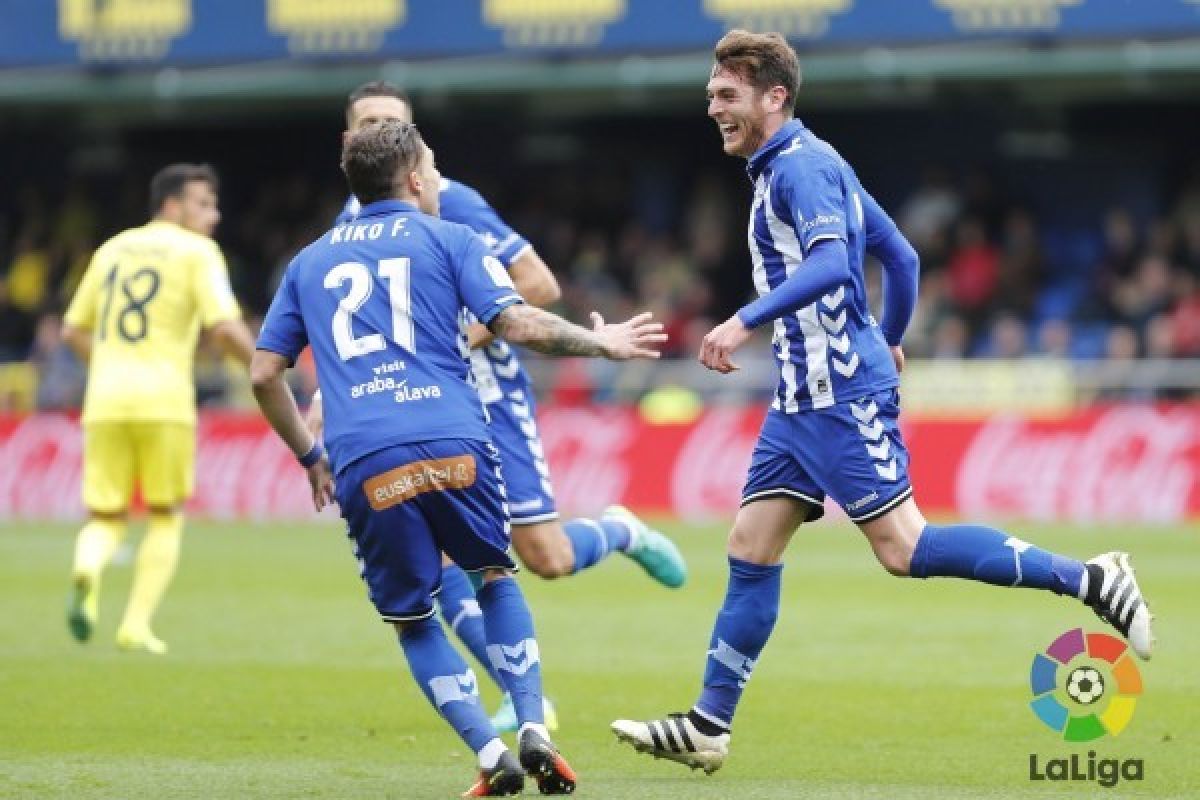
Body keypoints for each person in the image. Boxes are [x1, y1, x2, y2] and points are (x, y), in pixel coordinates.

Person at [611, 30, 1155, 774]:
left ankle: (1092, 578)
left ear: (775, 97)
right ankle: (709, 724)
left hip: (835, 393)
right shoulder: (800, 161)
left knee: (904, 549)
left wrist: (745, 318)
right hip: (800, 400)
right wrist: (892, 336)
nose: (712, 108)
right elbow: (900, 256)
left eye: (726, 96)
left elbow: (838, 262)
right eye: (711, 95)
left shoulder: (800, 170)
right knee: (750, 545)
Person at [253, 120, 665, 796]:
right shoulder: (453, 239)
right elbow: (518, 321)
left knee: (414, 620)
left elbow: (265, 373)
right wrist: (603, 345)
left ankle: (488, 749)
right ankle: (534, 723)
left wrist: (308, 455)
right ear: (414, 178)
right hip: (457, 444)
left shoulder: (308, 263)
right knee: (495, 577)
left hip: (364, 459)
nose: (440, 179)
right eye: (435, 167)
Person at [62, 164, 256, 654]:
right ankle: (136, 623)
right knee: (165, 515)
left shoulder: (111, 249)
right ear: (172, 205)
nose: (214, 217)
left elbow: (71, 330)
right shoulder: (197, 252)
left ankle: (88, 566)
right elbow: (225, 328)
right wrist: (267, 369)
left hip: (105, 399)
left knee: (106, 516)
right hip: (164, 400)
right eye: (203, 205)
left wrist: (107, 364)